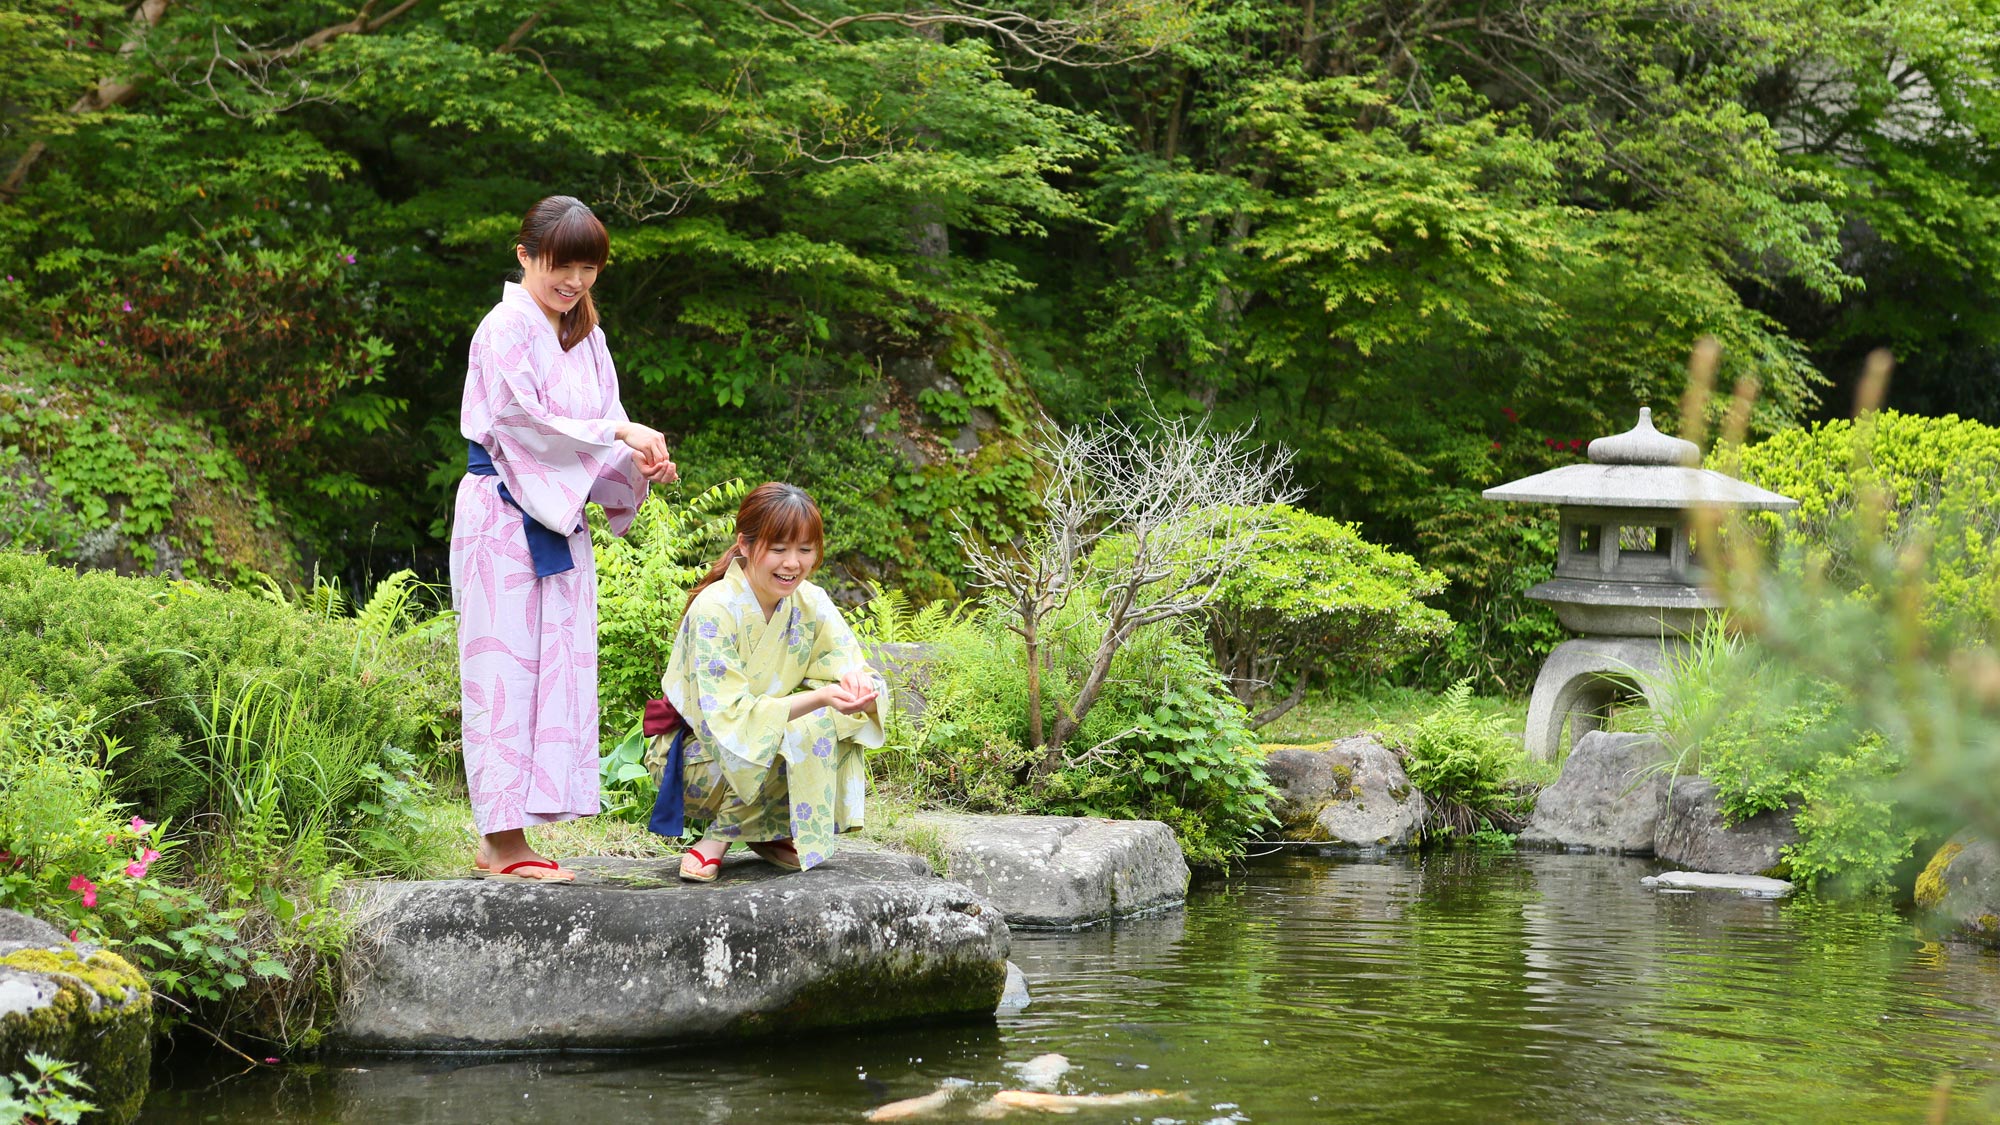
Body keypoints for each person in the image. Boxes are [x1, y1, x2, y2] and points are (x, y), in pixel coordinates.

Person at [451, 195, 679, 882]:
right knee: (501, 674)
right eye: (561, 264)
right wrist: (618, 434)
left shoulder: (587, 336)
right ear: (525, 255)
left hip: (559, 515)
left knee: (554, 667)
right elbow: (523, 422)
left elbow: (606, 418)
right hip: (502, 514)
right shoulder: (503, 328)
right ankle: (501, 839)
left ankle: (511, 835)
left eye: (588, 266)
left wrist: (637, 462)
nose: (574, 280)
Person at [647, 483, 887, 882]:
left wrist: (858, 686)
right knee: (794, 729)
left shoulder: (812, 602)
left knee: (844, 721)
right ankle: (721, 836)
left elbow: (849, 667)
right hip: (699, 758)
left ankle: (764, 832)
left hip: (764, 745)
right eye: (778, 549)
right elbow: (727, 721)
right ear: (744, 544)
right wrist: (821, 699)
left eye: (805, 550)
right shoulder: (716, 608)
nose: (792, 563)